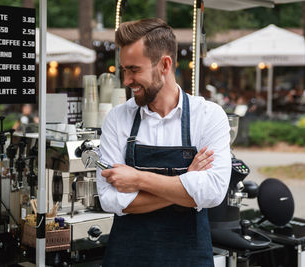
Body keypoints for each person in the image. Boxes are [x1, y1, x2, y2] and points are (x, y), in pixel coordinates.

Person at [97, 18, 231, 266]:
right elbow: (110, 199)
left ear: (165, 65)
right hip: (128, 257)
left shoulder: (209, 116)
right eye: (124, 69)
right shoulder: (117, 119)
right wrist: (187, 186)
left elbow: (212, 193)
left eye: (134, 70)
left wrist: (138, 180)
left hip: (188, 257)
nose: (126, 80)